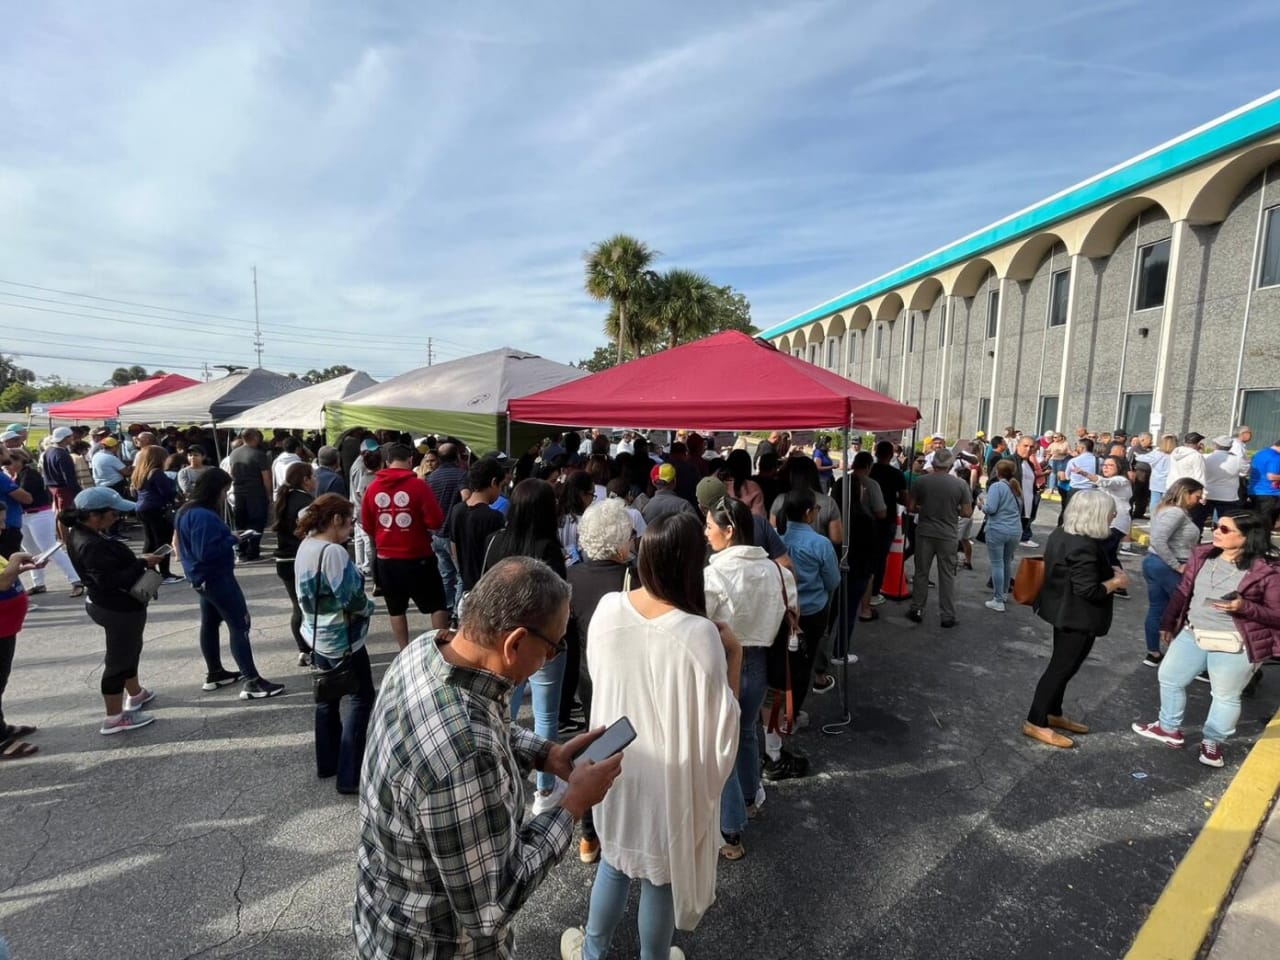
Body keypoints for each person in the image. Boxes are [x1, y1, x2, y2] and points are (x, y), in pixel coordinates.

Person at [354, 557, 621, 960]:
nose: (551, 660)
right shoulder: (463, 755)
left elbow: (484, 722)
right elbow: (492, 902)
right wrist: (572, 806)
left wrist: (548, 754)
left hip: (386, 917)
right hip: (435, 947)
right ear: (514, 643)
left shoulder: (427, 651)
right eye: (553, 647)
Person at [560, 514, 739, 960]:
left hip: (614, 765)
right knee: (659, 875)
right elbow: (722, 722)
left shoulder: (608, 610)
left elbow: (600, 680)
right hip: (670, 778)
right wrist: (733, 651)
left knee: (615, 863)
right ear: (691, 566)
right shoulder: (699, 634)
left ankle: (592, 953)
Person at [1132, 510, 1280, 767]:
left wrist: (1244, 607)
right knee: (1169, 677)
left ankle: (1213, 741)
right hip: (1193, 632)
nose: (1216, 533)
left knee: (1225, 695)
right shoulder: (1203, 554)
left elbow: (1276, 614)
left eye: (1225, 529)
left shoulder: (1267, 571)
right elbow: (1183, 591)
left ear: (1246, 537)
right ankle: (1168, 728)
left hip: (1235, 642)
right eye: (1217, 526)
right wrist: (1168, 621)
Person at [704, 495, 795, 859]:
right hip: (760, 662)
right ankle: (749, 797)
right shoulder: (777, 570)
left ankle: (730, 831)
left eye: (710, 527)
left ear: (729, 532)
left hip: (725, 662)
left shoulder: (714, 575)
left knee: (721, 741)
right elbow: (792, 609)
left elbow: (700, 623)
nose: (705, 532)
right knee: (744, 732)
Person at [481, 478, 571, 812]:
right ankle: (545, 792)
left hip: (499, 640)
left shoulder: (495, 541)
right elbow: (562, 598)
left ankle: (507, 778)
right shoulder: (547, 546)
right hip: (543, 642)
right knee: (545, 714)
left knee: (503, 711)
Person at [1024, 490, 1128, 748]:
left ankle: (1053, 712)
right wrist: (1116, 581)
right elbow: (1089, 590)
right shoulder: (1084, 546)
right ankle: (1036, 721)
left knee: (1065, 667)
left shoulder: (1063, 533)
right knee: (1060, 668)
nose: (1114, 516)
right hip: (1077, 616)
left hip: (1063, 609)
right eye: (1110, 512)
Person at [566, 498, 637, 864]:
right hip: (633, 678)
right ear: (622, 540)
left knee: (594, 749)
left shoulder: (572, 578)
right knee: (633, 747)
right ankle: (627, 824)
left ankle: (589, 836)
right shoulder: (637, 577)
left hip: (590, 679)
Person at [62, 487, 164, 734]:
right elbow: (108, 581)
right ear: (95, 515)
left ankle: (136, 693)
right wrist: (142, 563)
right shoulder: (90, 543)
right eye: (114, 514)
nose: (118, 518)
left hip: (115, 605)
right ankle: (114, 718)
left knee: (129, 651)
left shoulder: (86, 532)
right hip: (116, 607)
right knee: (118, 661)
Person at [175, 469, 284, 699]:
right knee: (239, 624)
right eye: (225, 490)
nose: (226, 495)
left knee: (210, 623)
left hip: (199, 577)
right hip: (216, 577)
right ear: (216, 490)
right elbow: (206, 551)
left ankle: (215, 672)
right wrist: (233, 539)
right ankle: (252, 681)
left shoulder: (186, 510)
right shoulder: (203, 515)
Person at [293, 493, 376, 794]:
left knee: (326, 699)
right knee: (361, 698)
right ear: (337, 519)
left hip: (316, 635)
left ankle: (327, 763)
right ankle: (350, 774)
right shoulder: (334, 552)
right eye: (351, 521)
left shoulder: (307, 545)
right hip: (344, 638)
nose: (353, 528)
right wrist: (369, 607)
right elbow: (350, 597)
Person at [770, 487, 839, 780]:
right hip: (811, 612)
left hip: (784, 611)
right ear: (810, 513)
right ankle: (792, 715)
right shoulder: (820, 544)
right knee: (803, 666)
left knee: (785, 663)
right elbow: (833, 580)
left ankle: (784, 714)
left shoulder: (778, 541)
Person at [363, 443, 449, 648]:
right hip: (419, 555)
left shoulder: (373, 487)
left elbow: (366, 524)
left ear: (387, 461)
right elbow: (436, 521)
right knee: (437, 604)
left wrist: (385, 536)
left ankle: (403, 650)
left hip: (387, 559)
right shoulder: (419, 486)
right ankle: (440, 647)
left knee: (396, 608)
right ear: (411, 461)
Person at [1141, 479, 1205, 668]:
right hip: (1167, 565)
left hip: (1157, 564)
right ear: (1186, 493)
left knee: (1157, 608)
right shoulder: (1175, 512)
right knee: (1186, 610)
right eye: (1196, 496)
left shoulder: (1164, 508)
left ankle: (1153, 652)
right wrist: (1176, 565)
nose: (1198, 501)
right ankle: (1187, 658)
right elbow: (1159, 540)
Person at [907, 450, 973, 628]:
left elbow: (911, 507)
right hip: (947, 534)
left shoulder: (921, 481)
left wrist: (925, 508)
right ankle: (947, 615)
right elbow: (967, 512)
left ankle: (917, 608)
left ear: (933, 463)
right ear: (950, 465)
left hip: (925, 531)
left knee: (921, 572)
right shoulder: (960, 484)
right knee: (947, 575)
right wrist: (952, 510)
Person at [272, 461, 316, 667]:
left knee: (297, 606)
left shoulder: (283, 497)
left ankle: (303, 649)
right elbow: (311, 531)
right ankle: (312, 648)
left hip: (283, 560)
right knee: (309, 606)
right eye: (312, 476)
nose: (315, 480)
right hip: (299, 558)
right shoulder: (304, 501)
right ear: (305, 479)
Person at [0, 549, 41, 758]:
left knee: (1, 681)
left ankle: (1, 728)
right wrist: (15, 560)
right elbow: (2, 583)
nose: (3, 527)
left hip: (5, 628)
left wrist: (18, 569)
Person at [446, 457, 506, 597]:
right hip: (489, 585)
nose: (499, 492)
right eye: (501, 486)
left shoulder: (457, 510)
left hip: (467, 584)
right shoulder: (494, 517)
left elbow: (453, 546)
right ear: (493, 482)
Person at [426, 441, 470, 615]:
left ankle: (446, 607)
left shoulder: (431, 478)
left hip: (436, 533)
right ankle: (456, 612)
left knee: (445, 574)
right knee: (461, 575)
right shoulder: (461, 475)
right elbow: (466, 497)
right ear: (458, 456)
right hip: (454, 535)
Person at [130, 445, 182, 585]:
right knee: (163, 541)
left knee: (149, 541)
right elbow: (167, 492)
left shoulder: (139, 472)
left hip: (142, 508)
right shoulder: (157, 472)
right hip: (156, 508)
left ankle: (149, 570)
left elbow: (134, 492)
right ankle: (165, 573)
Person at [981, 459, 1024, 612]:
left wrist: (981, 505)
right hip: (1015, 530)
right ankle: (1004, 593)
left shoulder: (996, 486)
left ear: (996, 472)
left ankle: (998, 599)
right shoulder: (1016, 488)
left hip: (997, 529)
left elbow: (991, 509)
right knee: (1006, 562)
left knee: (997, 564)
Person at [226, 429, 272, 561]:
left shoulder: (234, 453)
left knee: (241, 522)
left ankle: (241, 551)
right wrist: (269, 494)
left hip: (239, 491)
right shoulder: (259, 454)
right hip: (256, 492)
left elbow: (231, 472)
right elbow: (266, 477)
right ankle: (253, 551)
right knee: (257, 522)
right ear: (256, 438)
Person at [41, 426, 81, 517]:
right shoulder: (62, 454)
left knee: (58, 512)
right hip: (63, 489)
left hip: (52, 487)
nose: (72, 438)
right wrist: (77, 491)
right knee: (64, 515)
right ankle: (63, 532)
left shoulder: (48, 451)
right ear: (66, 438)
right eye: (70, 436)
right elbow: (69, 477)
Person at [1202, 436, 1243, 523]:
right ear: (1230, 447)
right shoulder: (1237, 459)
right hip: (1228, 496)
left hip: (1208, 493)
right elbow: (1244, 472)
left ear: (1215, 445)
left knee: (1200, 520)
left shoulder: (1205, 457)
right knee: (1226, 522)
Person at [1248, 435, 1280, 529]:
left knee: (1257, 521)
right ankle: (1262, 542)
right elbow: (1271, 476)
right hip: (1270, 493)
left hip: (1255, 491)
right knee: (1266, 524)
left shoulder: (1260, 453)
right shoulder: (1276, 457)